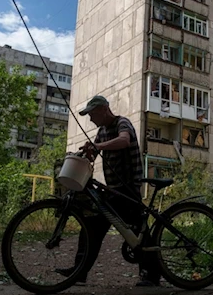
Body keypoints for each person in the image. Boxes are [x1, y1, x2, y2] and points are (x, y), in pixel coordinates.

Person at [55, 95, 161, 287]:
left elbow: (124, 141)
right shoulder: (102, 131)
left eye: (92, 114)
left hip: (128, 188)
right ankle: (79, 272)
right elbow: (95, 151)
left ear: (104, 109)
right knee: (93, 226)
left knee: (137, 232)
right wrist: (85, 153)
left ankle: (151, 276)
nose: (91, 118)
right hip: (114, 190)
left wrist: (99, 146)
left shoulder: (122, 123)